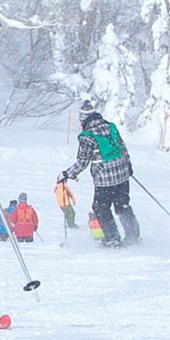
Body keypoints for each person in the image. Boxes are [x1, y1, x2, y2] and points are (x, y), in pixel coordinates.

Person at [60, 100, 139, 247]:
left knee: (101, 207)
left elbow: (83, 162)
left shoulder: (87, 136)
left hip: (104, 180)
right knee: (123, 205)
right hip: (122, 175)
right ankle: (133, 235)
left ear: (83, 119)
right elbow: (123, 148)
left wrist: (67, 174)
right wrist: (128, 166)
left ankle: (112, 239)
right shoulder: (111, 127)